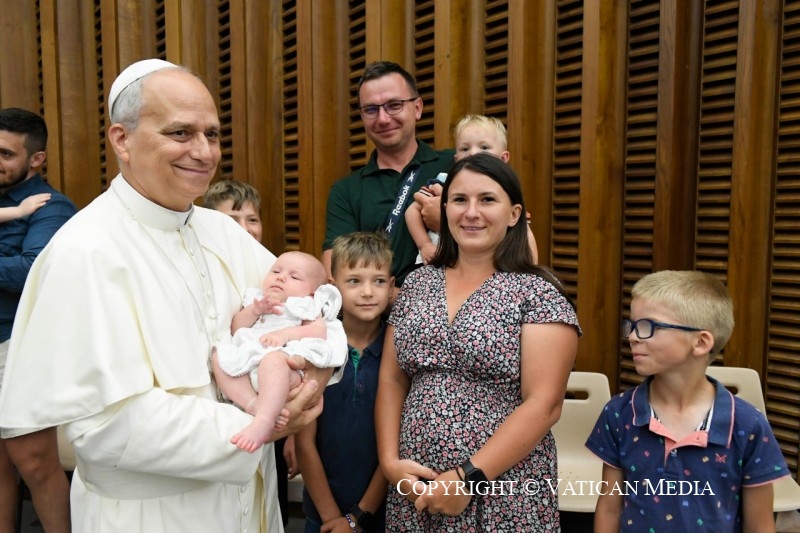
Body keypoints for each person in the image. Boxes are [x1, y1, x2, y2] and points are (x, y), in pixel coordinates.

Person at [0, 59, 331, 532]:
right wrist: (268, 424)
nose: (204, 152)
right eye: (180, 133)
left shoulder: (223, 231)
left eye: (212, 134)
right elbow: (103, 428)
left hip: (251, 504)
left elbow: (309, 313)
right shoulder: (85, 250)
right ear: (122, 139)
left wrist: (310, 381)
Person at [376, 153, 580, 531]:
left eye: (487, 200)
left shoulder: (538, 294)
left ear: (514, 214)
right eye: (459, 200)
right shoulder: (418, 284)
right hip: (414, 484)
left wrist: (467, 476)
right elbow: (392, 378)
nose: (471, 213)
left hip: (503, 487)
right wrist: (390, 462)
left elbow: (545, 404)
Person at [587, 270, 789, 532]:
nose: (634, 336)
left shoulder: (747, 425)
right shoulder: (619, 413)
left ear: (701, 342)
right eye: (633, 325)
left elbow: (760, 525)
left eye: (649, 326)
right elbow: (610, 507)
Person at [203, 178, 298, 526]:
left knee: (271, 502)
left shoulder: (275, 270)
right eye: (231, 219)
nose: (244, 228)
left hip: (279, 393)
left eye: (252, 219)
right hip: (228, 406)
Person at [0, 107, 76, 533]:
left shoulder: (51, 207)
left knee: (34, 461)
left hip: (17, 345)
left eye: (5, 154)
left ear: (36, 158)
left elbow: (31, 274)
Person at [323, 61, 454, 290]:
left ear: (417, 108)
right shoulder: (346, 191)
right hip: (377, 317)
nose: (383, 119)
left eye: (394, 105)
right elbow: (334, 273)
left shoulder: (456, 164)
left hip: (456, 310)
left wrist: (448, 221)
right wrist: (397, 300)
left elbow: (508, 234)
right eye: (371, 109)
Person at [296, 232, 393, 533]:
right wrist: (332, 519)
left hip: (381, 517)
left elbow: (396, 447)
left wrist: (357, 517)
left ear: (391, 287)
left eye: (378, 281)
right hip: (321, 516)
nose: (367, 292)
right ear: (333, 287)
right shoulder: (316, 348)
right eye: (354, 281)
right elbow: (304, 442)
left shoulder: (398, 351)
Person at [213, 251, 347, 453]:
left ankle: (263, 422)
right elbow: (236, 328)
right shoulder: (257, 299)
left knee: (273, 361)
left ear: (312, 292)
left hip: (283, 365)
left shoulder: (306, 305)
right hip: (250, 359)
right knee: (219, 356)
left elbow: (318, 331)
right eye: (276, 271)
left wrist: (285, 335)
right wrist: (254, 311)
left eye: (294, 277)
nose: (281, 277)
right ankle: (253, 404)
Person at [404, 114, 539, 265]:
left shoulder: (507, 191)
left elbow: (524, 231)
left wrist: (529, 272)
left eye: (484, 147)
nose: (473, 153)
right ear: (456, 159)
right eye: (465, 148)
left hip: (492, 268)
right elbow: (412, 211)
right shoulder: (443, 181)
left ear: (503, 158)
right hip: (439, 262)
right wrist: (424, 244)